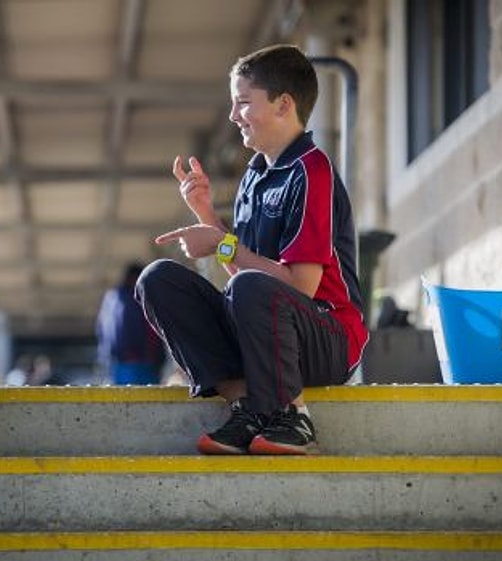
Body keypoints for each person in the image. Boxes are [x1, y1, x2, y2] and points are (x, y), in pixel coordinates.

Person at [135, 44, 368, 456]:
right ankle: (245, 404)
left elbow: (301, 286)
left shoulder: (312, 170)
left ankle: (292, 416)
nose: (232, 116)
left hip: (325, 338)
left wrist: (222, 243)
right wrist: (205, 211)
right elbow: (245, 277)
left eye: (243, 102)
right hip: (268, 331)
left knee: (252, 288)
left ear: (283, 105)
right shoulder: (255, 175)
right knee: (158, 280)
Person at [96, 262, 166, 385]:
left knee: (123, 400)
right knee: (149, 400)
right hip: (141, 362)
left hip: (119, 362)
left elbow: (101, 330)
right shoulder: (136, 299)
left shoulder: (112, 298)